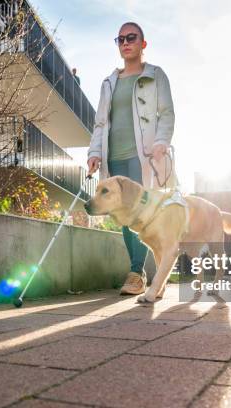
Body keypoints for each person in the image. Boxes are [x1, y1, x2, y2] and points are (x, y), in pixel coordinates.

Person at [87, 21, 176, 295]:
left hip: (143, 157)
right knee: (123, 213)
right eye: (120, 39)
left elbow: (167, 113)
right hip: (114, 159)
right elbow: (100, 123)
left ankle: (137, 273)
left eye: (131, 37)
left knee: (141, 213)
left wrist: (161, 142)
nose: (125, 43)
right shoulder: (109, 83)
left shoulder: (154, 75)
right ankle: (141, 271)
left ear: (142, 43)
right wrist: (94, 153)